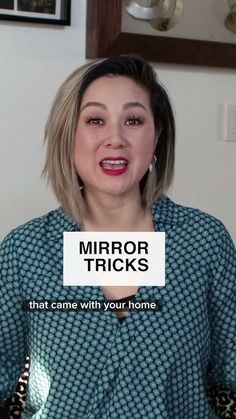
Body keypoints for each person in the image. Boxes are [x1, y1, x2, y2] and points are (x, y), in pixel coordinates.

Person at [0, 55, 235, 419]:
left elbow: (230, 371)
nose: (115, 138)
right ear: (68, 135)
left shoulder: (204, 242)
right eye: (95, 120)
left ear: (156, 136)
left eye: (133, 120)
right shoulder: (25, 251)